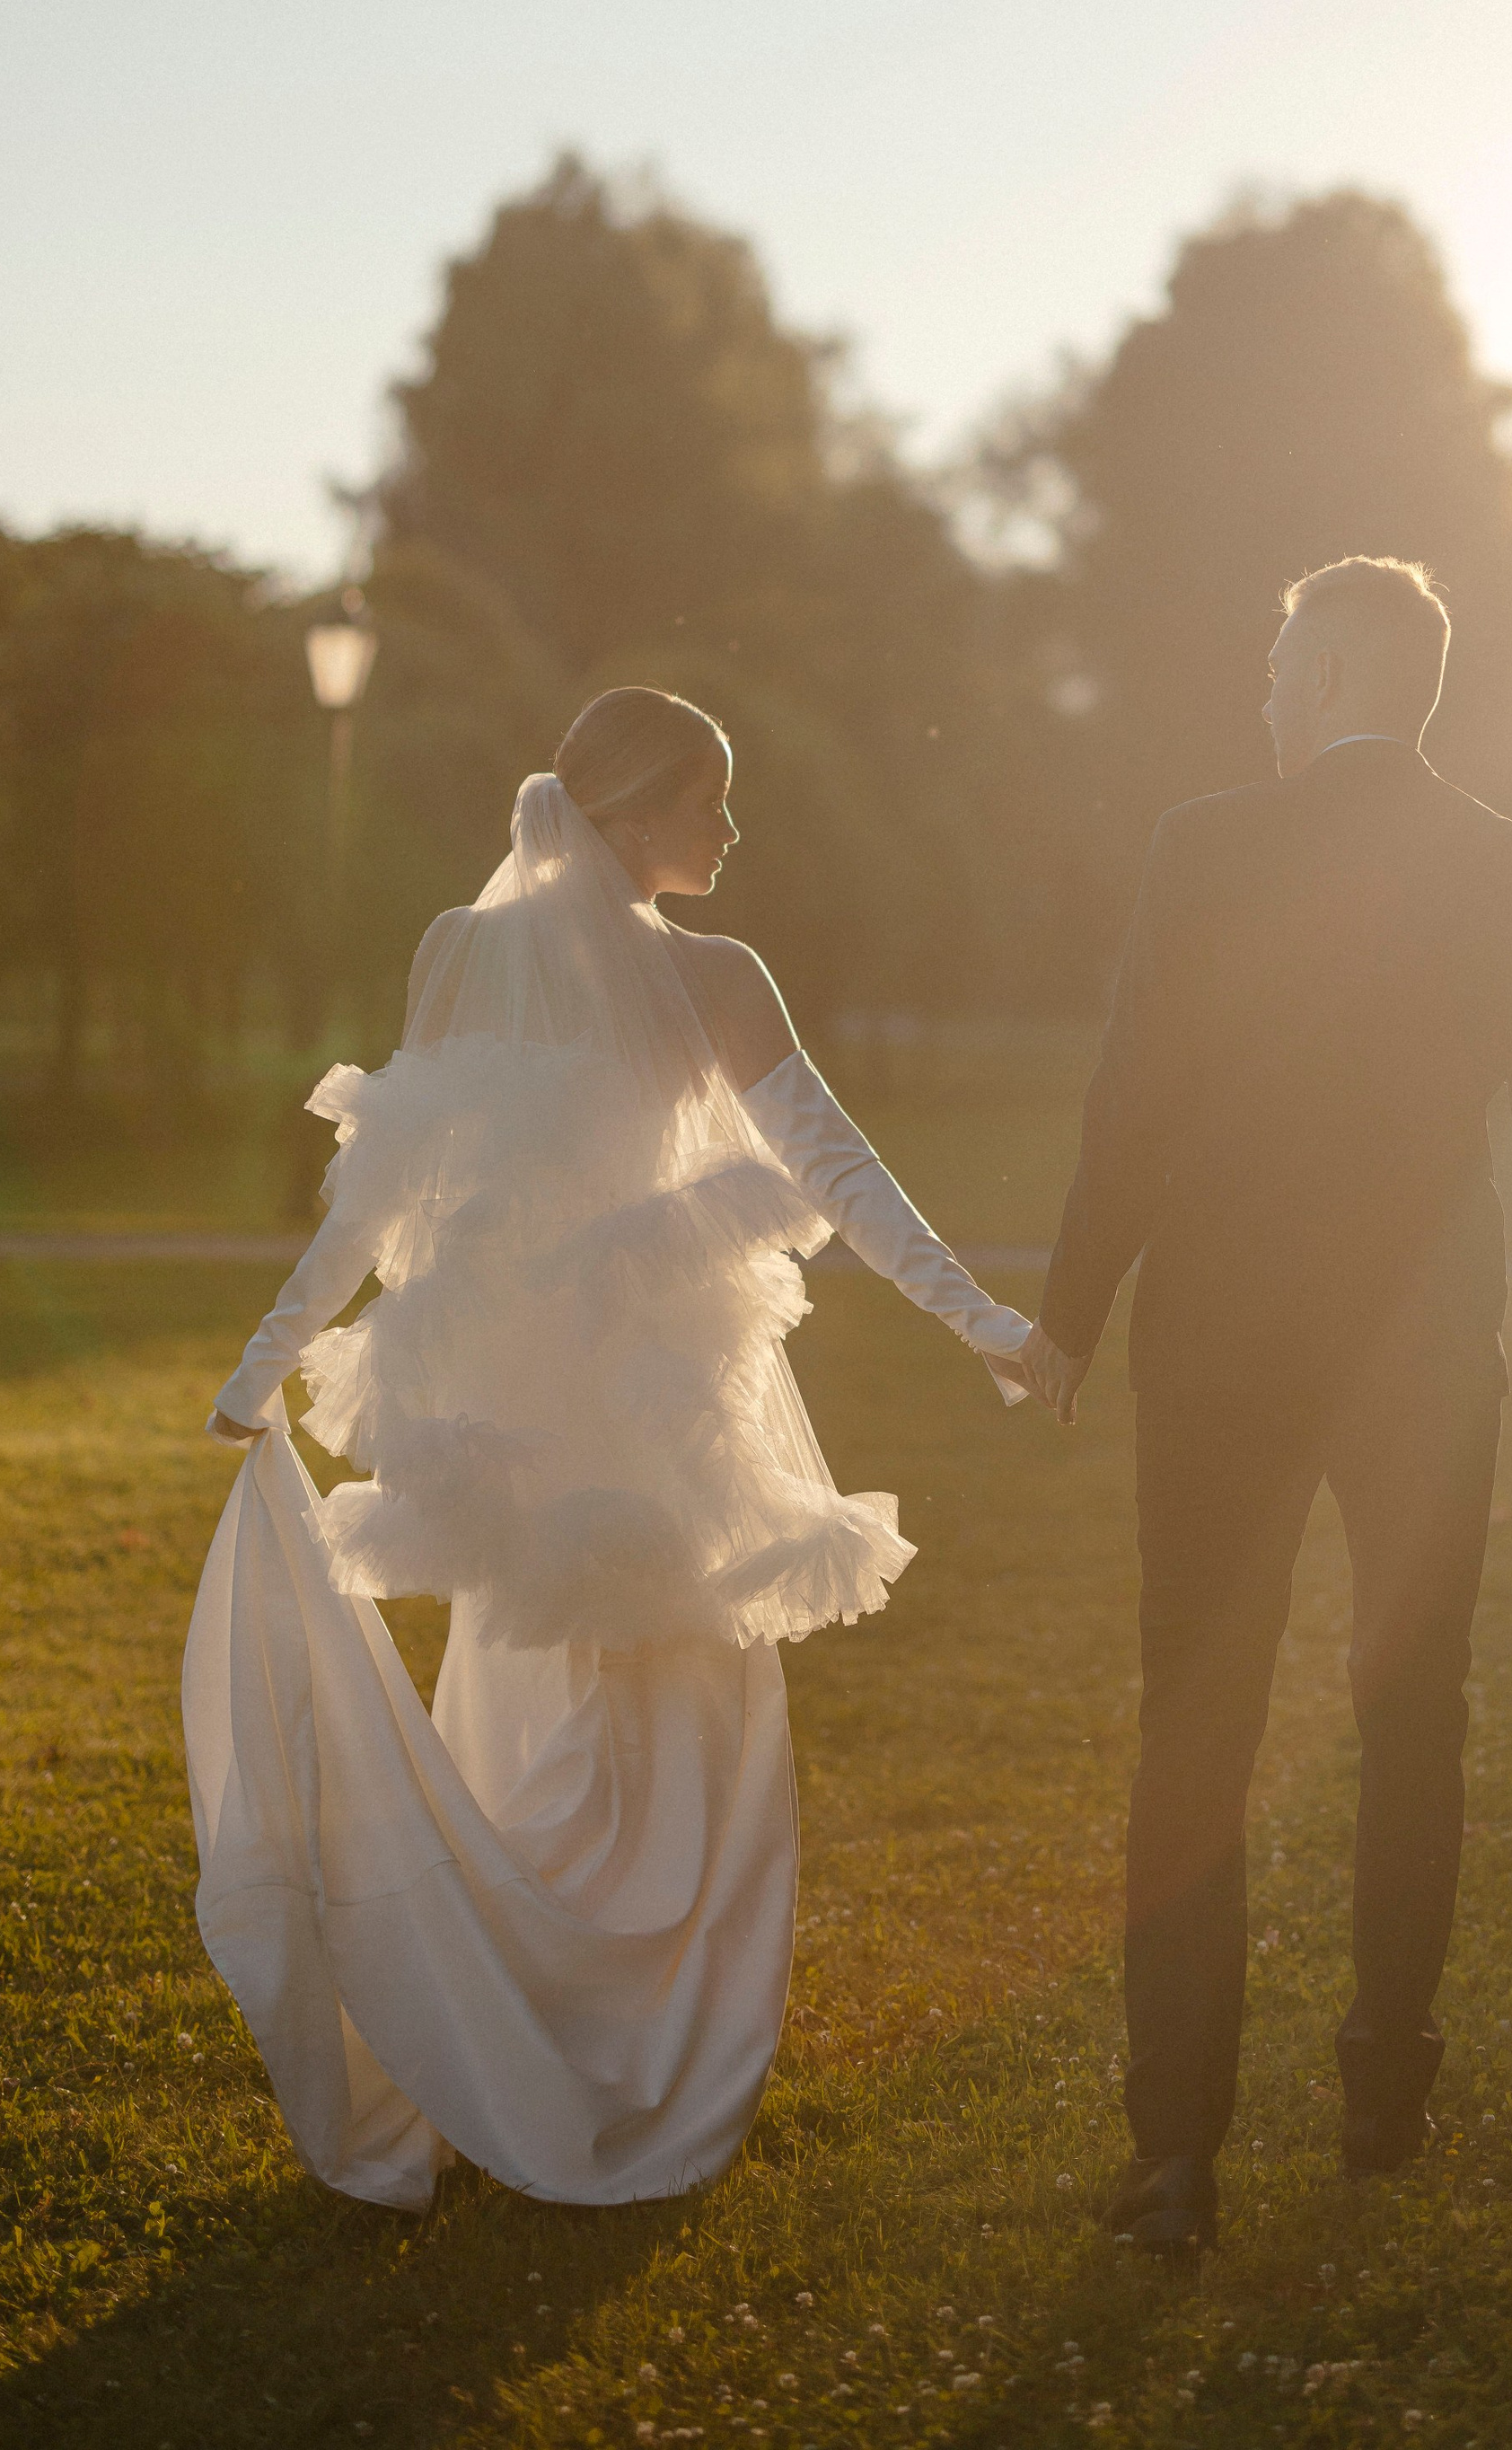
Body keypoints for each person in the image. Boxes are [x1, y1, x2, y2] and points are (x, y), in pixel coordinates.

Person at [186, 685, 1033, 2209]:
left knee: (581, 1730)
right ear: (635, 814)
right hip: (623, 1424)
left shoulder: (509, 953)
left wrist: (979, 1318)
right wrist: (261, 1371)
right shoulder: (685, 972)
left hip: (544, 1423)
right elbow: (389, 1185)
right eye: (711, 798)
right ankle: (622, 2061)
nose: (731, 827)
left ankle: (549, 2045)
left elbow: (387, 1187)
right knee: (652, 1736)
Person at [1020, 557, 1512, 2252]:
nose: (1267, 694)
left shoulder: (1206, 847)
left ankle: (1178, 2156)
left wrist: (1069, 1315)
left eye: (1283, 661)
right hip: (1427, 1352)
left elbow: (1133, 1089)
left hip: (1218, 1347)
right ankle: (1383, 2098)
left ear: (1351, 665)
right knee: (1415, 1711)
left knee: (1195, 1729)